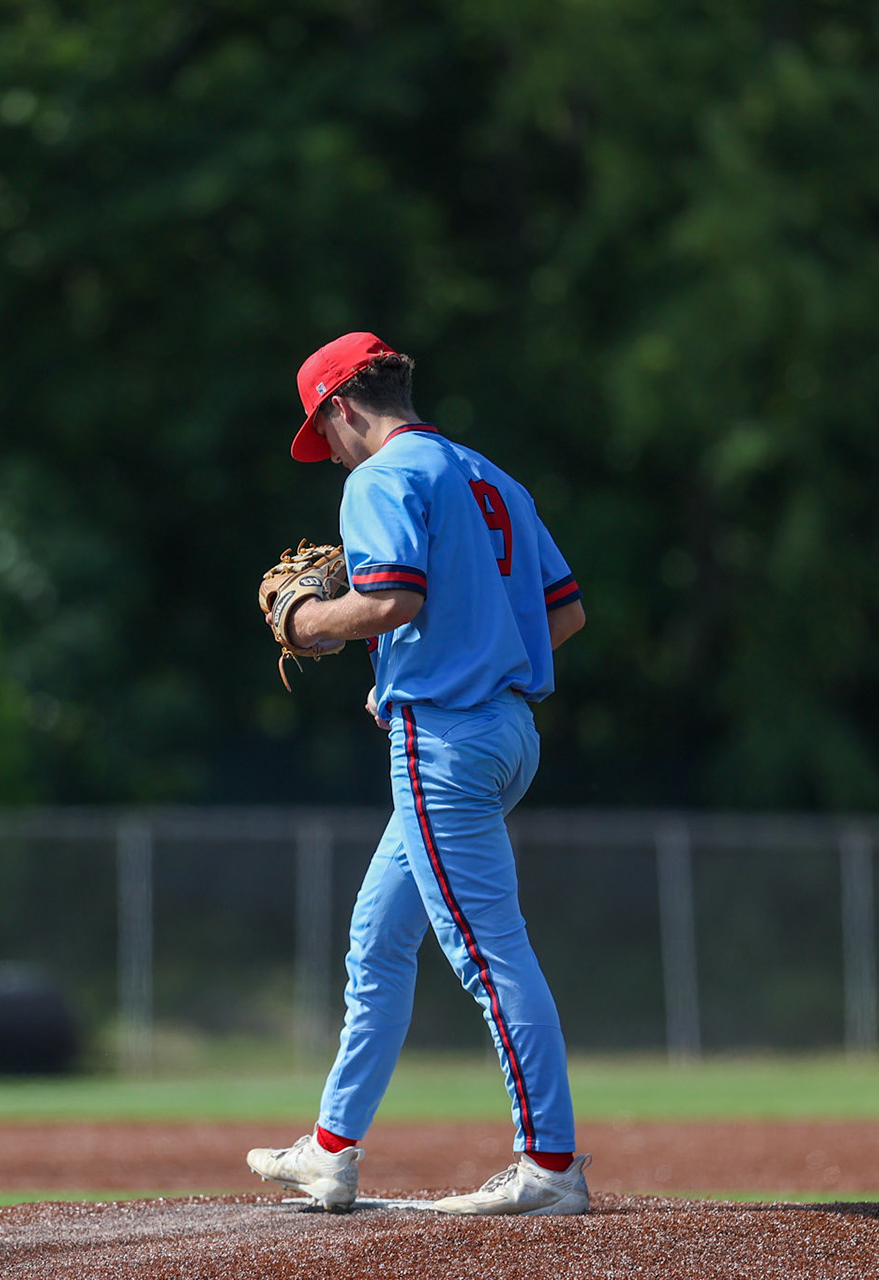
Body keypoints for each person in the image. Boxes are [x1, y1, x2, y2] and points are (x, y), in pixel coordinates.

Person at [247, 333, 590, 1216]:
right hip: (506, 729)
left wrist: (312, 624)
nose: (334, 457)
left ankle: (550, 1166)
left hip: (444, 742)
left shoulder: (382, 477)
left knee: (487, 952)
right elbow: (566, 612)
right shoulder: (491, 477)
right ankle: (330, 1148)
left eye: (326, 437)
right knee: (378, 938)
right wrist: (448, 664)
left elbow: (394, 600)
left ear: (342, 408)